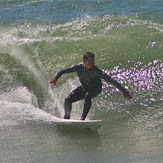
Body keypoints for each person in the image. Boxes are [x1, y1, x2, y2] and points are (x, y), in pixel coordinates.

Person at [49, 52, 132, 120]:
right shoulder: (78, 67)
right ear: (84, 61)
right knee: (68, 99)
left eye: (93, 61)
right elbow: (63, 71)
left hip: (95, 89)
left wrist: (123, 90)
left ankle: (82, 118)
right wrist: (55, 78)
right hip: (85, 88)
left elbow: (111, 80)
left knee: (88, 96)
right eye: (90, 61)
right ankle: (66, 117)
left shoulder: (96, 71)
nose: (93, 63)